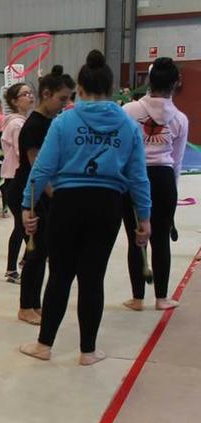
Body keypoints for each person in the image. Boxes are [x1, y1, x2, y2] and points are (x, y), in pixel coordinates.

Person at [19, 50, 152, 366]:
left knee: (60, 275)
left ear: (79, 88)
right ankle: (88, 351)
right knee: (93, 278)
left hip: (68, 204)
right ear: (111, 88)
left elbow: (42, 169)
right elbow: (138, 177)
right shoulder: (128, 126)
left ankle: (44, 345)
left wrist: (28, 205)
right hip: (106, 206)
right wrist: (143, 217)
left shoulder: (65, 122)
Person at [122, 57, 189, 311]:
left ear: (149, 81)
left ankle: (137, 298)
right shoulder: (180, 119)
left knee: (134, 238)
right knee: (160, 238)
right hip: (163, 178)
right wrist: (172, 189)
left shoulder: (128, 111)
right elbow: (177, 160)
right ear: (175, 84)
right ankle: (162, 298)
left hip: (133, 177)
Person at [11, 66, 75, 325]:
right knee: (35, 251)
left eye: (69, 98)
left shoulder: (52, 122)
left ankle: (35, 303)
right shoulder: (34, 126)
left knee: (44, 250)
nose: (66, 104)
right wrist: (59, 197)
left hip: (44, 194)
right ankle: (26, 306)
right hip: (32, 192)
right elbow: (39, 169)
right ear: (46, 94)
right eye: (62, 98)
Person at [1, 82, 35, 283]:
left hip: (18, 178)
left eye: (31, 93)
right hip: (17, 179)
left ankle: (26, 259)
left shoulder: (20, 122)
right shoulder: (17, 125)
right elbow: (21, 153)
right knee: (21, 226)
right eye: (24, 94)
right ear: (14, 101)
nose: (30, 96)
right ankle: (12, 270)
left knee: (25, 226)